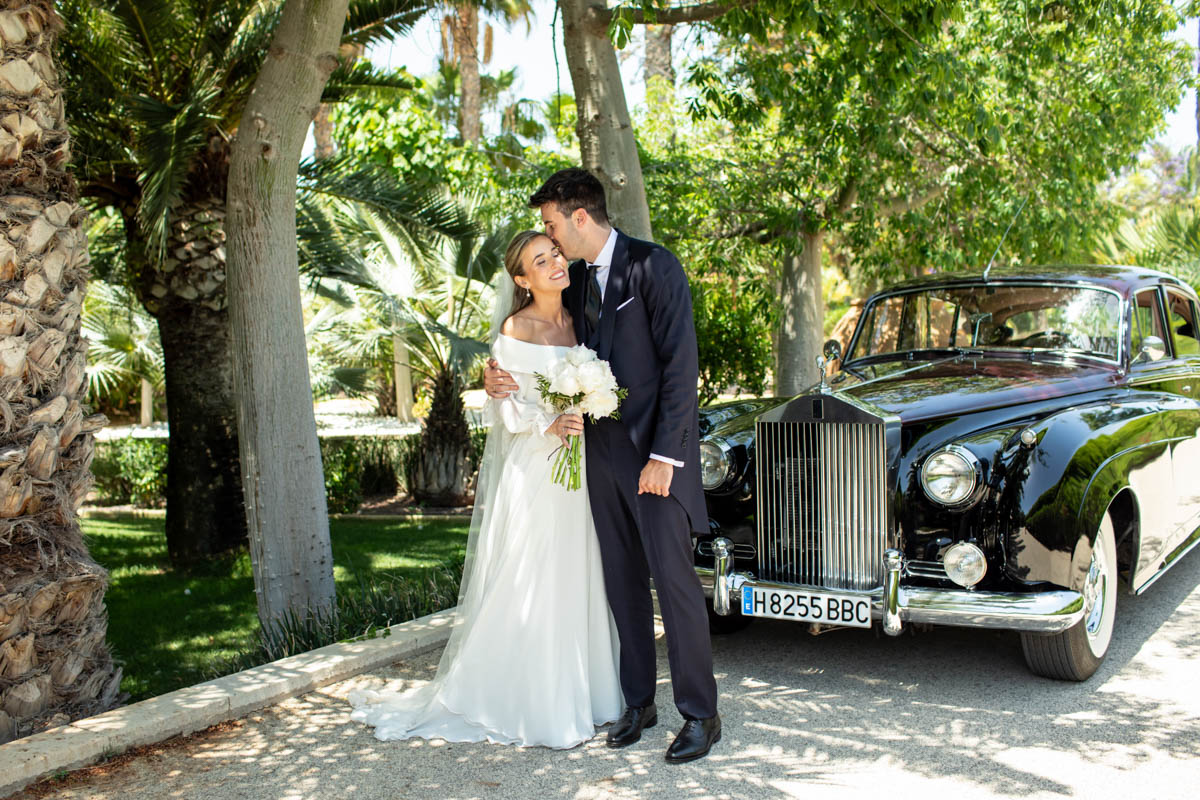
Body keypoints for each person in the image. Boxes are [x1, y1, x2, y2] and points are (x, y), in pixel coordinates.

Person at [348, 230, 622, 749]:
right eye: (540, 261)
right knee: (534, 577)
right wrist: (550, 423)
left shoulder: (579, 317)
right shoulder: (514, 329)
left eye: (555, 253)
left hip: (580, 468)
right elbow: (505, 407)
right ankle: (534, 702)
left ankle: (586, 693)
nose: (555, 263)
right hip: (538, 468)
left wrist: (586, 404)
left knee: (579, 572)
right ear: (521, 279)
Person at [484, 168, 721, 763]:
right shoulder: (579, 279)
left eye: (550, 223)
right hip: (599, 459)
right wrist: (497, 379)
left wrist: (666, 456)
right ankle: (638, 701)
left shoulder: (654, 266)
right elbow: (549, 355)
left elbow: (679, 367)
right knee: (621, 585)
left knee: (674, 584)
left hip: (656, 460)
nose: (549, 235)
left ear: (579, 217)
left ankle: (700, 714)